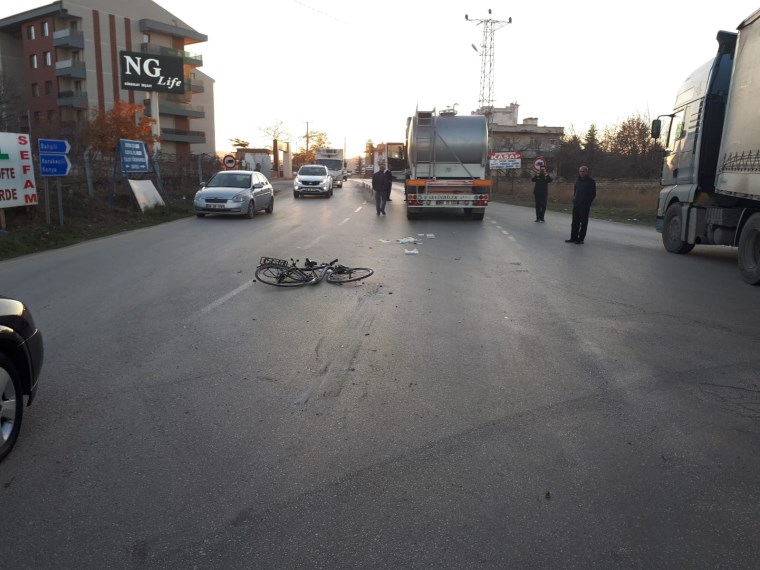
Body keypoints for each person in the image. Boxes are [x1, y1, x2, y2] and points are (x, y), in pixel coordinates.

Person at [565, 165, 597, 244]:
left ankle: (580, 239)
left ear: (586, 172)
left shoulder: (591, 181)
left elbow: (593, 194)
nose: (581, 173)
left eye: (583, 171)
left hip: (584, 205)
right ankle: (573, 237)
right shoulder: (578, 180)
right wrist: (575, 200)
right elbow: (575, 191)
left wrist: (587, 203)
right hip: (576, 204)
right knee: (575, 222)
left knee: (583, 223)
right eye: (580, 171)